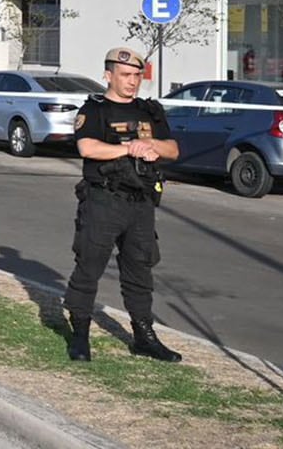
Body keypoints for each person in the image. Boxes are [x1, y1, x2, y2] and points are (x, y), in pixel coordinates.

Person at [63, 47, 183, 364]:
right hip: (104, 199)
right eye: (126, 75)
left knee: (140, 270)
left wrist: (151, 145)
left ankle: (144, 337)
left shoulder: (150, 111)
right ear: (109, 75)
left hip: (141, 201)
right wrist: (129, 148)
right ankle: (80, 336)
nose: (133, 82)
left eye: (137, 76)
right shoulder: (95, 110)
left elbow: (173, 149)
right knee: (89, 266)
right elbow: (87, 147)